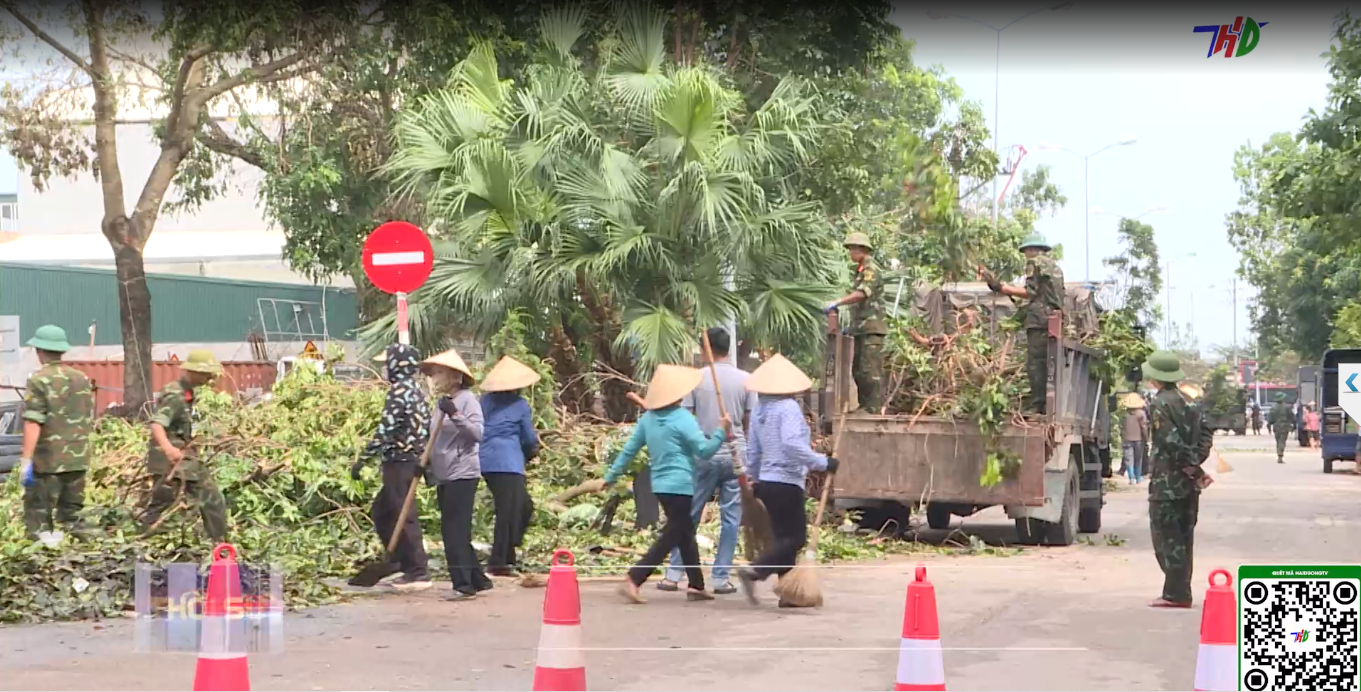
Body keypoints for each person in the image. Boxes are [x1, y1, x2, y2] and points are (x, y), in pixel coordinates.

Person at [603, 364, 731, 603]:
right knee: (672, 535)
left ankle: (696, 585)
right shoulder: (683, 418)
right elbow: (704, 451)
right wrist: (721, 431)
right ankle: (635, 577)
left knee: (684, 533)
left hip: (660, 485)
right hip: (681, 485)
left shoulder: (647, 420)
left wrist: (610, 476)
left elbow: (629, 451)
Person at [658, 327, 756, 596]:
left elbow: (686, 419)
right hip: (736, 453)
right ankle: (720, 578)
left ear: (707, 350)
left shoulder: (696, 379)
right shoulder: (745, 379)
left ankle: (674, 574)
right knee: (731, 518)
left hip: (702, 452)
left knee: (689, 515)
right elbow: (749, 422)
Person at [732, 354, 835, 606]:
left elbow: (753, 449)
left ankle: (788, 594)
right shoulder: (788, 408)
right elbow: (791, 444)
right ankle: (756, 570)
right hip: (786, 481)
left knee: (783, 539)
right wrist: (822, 462)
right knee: (796, 538)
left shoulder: (759, 411)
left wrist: (753, 478)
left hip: (767, 482)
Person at [349, 344, 432, 591]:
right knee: (384, 512)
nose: (386, 368)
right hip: (412, 461)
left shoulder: (398, 393)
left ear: (399, 365)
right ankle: (399, 560)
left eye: (390, 363)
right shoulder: (418, 393)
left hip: (399, 461)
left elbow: (386, 430)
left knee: (404, 515)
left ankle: (418, 570)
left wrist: (363, 459)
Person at [1143, 350, 1213, 609]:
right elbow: (1206, 435)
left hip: (1167, 484)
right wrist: (1196, 466)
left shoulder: (1160, 403)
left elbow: (1169, 441)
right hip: (1188, 486)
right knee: (1184, 538)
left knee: (1166, 539)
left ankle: (1176, 594)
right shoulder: (1190, 402)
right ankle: (1179, 591)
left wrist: (1191, 468)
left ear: (1155, 377)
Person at [422, 348, 493, 600]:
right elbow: (434, 439)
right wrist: (426, 465)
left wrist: (455, 414)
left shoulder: (467, 400)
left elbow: (476, 434)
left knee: (455, 530)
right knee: (452, 528)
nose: (434, 378)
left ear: (454, 376)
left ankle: (464, 583)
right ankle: (478, 579)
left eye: (438, 373)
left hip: (463, 472)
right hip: (444, 474)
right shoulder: (439, 405)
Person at [143, 350, 228, 541]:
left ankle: (144, 541)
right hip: (173, 461)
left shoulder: (185, 392)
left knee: (162, 504)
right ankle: (221, 546)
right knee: (211, 499)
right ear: (194, 372)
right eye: (206, 374)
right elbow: (157, 424)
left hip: (179, 459)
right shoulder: (176, 394)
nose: (210, 378)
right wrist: (169, 449)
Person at [19, 325, 94, 541]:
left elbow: (33, 421)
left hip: (48, 463)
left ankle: (41, 564)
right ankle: (90, 556)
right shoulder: (81, 378)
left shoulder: (39, 380)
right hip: (78, 459)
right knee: (73, 516)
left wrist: (26, 460)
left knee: (39, 519)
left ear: (39, 351)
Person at [983, 234, 1065, 415]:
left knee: (1035, 363)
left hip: (1039, 319)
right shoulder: (1055, 267)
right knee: (1049, 362)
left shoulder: (1034, 263)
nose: (1026, 255)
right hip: (1053, 318)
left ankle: (1039, 405)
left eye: (1026, 251)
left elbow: (1030, 292)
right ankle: (1050, 404)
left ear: (1032, 250)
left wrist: (1002, 288)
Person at [477, 356, 542, 577]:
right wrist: (532, 452)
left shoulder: (484, 401)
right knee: (510, 511)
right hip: (508, 462)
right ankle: (498, 562)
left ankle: (508, 555)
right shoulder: (520, 405)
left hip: (486, 461)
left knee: (521, 506)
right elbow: (529, 438)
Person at [823, 232, 887, 414]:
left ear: (862, 249)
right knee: (858, 370)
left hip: (872, 329)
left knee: (870, 371)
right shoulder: (859, 270)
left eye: (852, 248)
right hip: (861, 328)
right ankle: (865, 407)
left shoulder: (871, 269)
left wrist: (838, 302)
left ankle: (873, 409)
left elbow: (862, 293)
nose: (850, 252)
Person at [1120, 392, 1149, 485]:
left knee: (1128, 458)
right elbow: (1144, 427)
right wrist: (1146, 438)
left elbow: (1121, 427)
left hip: (1127, 438)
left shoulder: (1124, 414)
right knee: (1138, 458)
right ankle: (1138, 477)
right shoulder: (1141, 413)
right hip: (1139, 439)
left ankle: (1131, 477)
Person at [1268, 393, 1293, 464]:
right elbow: (1291, 416)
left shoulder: (1273, 407)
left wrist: (1269, 425)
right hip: (1285, 426)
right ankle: (1280, 455)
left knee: (1278, 441)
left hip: (1276, 426)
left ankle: (1279, 454)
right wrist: (1293, 424)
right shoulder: (1287, 407)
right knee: (1282, 441)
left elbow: (1270, 418)